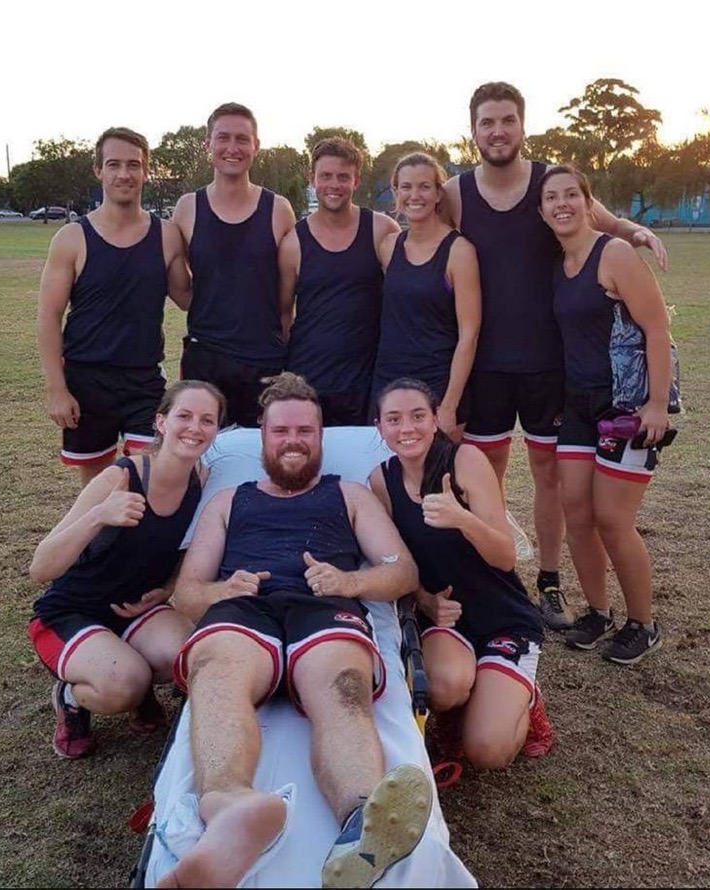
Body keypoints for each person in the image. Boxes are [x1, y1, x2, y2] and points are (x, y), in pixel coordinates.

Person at [158, 372, 432, 889]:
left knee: (342, 688)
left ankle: (363, 825)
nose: (293, 441)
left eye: (305, 431)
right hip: (244, 610)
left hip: (324, 607)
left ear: (320, 436)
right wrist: (222, 589)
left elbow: (403, 571)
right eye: (281, 431)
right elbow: (188, 593)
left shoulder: (349, 494)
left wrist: (349, 581)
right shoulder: (229, 500)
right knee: (216, 675)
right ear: (263, 436)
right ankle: (230, 809)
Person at [443, 82, 669, 629]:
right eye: (487, 122)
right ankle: (496, 578)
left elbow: (605, 221)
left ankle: (549, 581)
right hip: (485, 365)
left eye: (508, 120)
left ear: (522, 125)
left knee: (549, 477)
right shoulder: (456, 193)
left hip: (550, 365)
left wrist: (636, 231)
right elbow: (426, 240)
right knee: (485, 474)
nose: (498, 131)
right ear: (473, 131)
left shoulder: (550, 183)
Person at [27, 380, 225, 759]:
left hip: (134, 608)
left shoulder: (200, 480)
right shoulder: (120, 478)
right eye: (184, 416)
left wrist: (167, 588)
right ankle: (71, 698)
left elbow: (184, 548)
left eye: (207, 420)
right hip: (71, 611)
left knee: (189, 656)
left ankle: (134, 675)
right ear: (161, 422)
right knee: (123, 684)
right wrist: (100, 516)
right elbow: (41, 567)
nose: (195, 428)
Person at [369, 378, 553, 774]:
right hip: (447, 618)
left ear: (435, 419)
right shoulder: (381, 480)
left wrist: (462, 519)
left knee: (487, 751)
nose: (407, 428)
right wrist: (424, 599)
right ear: (379, 427)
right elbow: (396, 561)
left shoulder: (465, 460)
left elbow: (505, 557)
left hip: (503, 616)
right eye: (394, 419)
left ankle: (528, 701)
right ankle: (472, 700)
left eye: (418, 416)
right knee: (442, 686)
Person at [539, 165, 671, 663]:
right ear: (542, 211)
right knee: (576, 512)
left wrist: (656, 403)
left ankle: (643, 623)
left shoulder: (613, 254)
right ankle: (598, 611)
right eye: (552, 197)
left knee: (613, 518)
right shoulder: (560, 263)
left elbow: (656, 329)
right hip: (578, 405)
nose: (562, 204)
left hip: (626, 405)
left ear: (588, 202)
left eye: (571, 195)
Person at [37, 126, 192, 487]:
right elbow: (48, 316)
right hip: (86, 380)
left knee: (152, 478)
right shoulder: (72, 238)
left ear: (146, 171)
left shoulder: (167, 235)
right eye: (114, 164)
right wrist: (56, 388)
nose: (124, 174)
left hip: (144, 379)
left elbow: (188, 299)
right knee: (98, 488)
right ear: (99, 171)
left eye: (133, 165)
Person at [173, 102, 296, 427]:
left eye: (242, 139)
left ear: (256, 146)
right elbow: (181, 288)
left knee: (261, 450)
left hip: (263, 360)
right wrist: (215, 308)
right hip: (204, 359)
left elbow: (286, 299)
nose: (232, 148)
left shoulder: (278, 210)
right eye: (223, 137)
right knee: (202, 449)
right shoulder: (187, 208)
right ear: (208, 144)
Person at [281, 137, 400, 425]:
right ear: (312, 179)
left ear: (356, 180)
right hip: (309, 380)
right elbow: (283, 313)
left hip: (368, 382)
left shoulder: (382, 230)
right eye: (326, 176)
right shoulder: (293, 243)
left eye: (343, 177)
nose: (334, 185)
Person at [370, 153, 481, 443]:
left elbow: (469, 334)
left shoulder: (459, 251)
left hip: (437, 383)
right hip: (389, 383)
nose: (414, 195)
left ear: (438, 193)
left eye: (424, 186)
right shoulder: (388, 247)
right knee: (389, 469)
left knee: (439, 470)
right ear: (396, 192)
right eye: (406, 187)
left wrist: (449, 404)